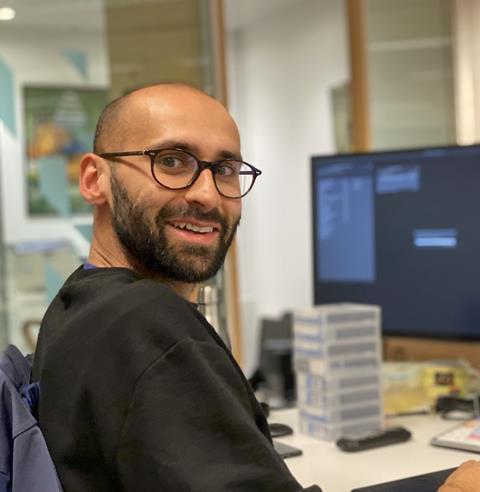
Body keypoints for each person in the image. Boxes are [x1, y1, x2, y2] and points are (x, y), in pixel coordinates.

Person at [32, 84, 321, 491]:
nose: (207, 194)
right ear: (94, 179)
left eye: (224, 170)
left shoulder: (78, 301)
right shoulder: (144, 322)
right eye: (170, 161)